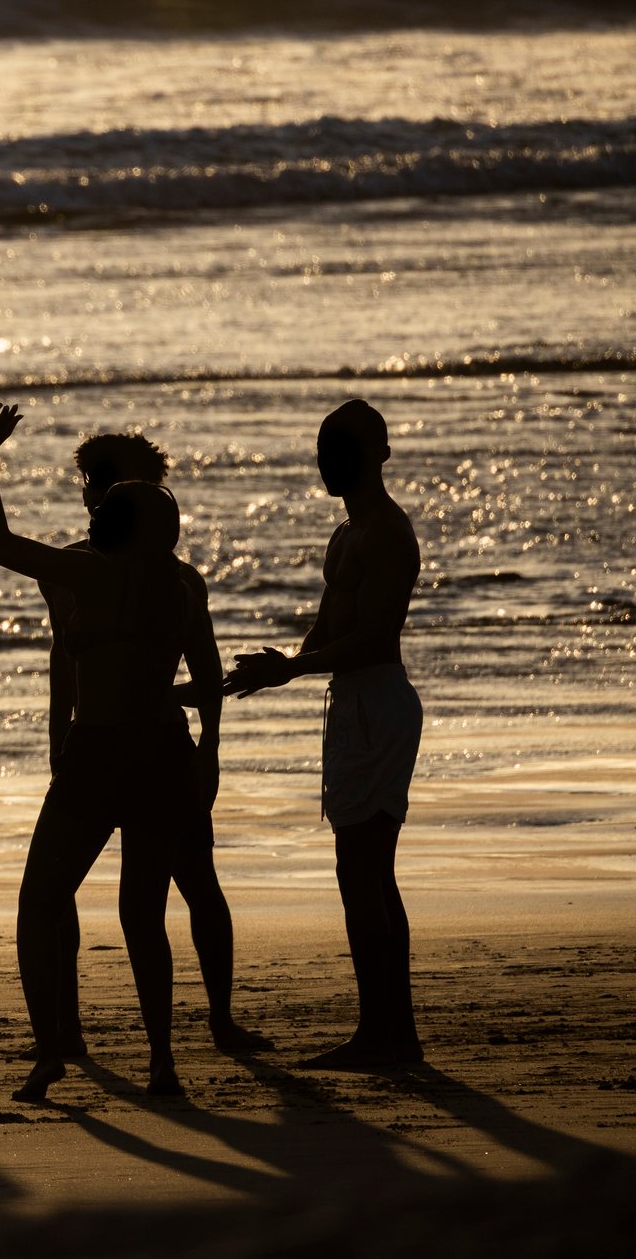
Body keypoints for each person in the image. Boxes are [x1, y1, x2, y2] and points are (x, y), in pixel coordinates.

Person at [0, 404, 221, 1101]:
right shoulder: (181, 586)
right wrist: (208, 746)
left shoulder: (89, 575)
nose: (94, 513)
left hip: (99, 755)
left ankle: (51, 1051)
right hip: (164, 755)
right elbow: (204, 678)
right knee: (143, 914)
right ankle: (163, 1061)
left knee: (40, 901)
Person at [38, 433, 268, 1056]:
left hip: (160, 747)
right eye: (89, 482)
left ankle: (219, 1020)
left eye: (105, 482)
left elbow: (201, 664)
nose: (92, 494)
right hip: (93, 742)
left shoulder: (180, 579)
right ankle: (66, 1027)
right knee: (60, 891)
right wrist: (59, 732)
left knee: (194, 879)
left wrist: (209, 748)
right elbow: (64, 657)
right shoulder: (68, 569)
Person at [224, 399, 423, 1069]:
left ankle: (389, 1034)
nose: (323, 464)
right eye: (321, 452)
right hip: (349, 705)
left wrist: (293, 668)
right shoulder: (345, 535)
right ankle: (386, 1031)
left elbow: (373, 637)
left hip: (381, 703)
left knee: (367, 867)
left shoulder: (388, 533)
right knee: (357, 868)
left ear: (376, 455)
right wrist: (273, 670)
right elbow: (328, 629)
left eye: (335, 452)